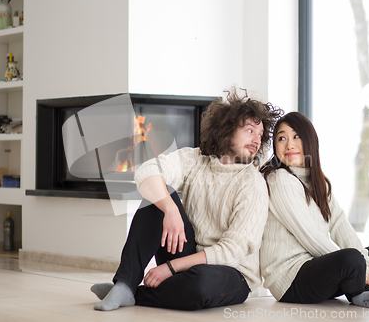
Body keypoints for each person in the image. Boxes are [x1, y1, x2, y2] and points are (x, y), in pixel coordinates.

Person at [91, 88, 283, 311]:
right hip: (187, 254)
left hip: (233, 272)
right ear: (227, 130)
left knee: (199, 284)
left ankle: (134, 292)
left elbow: (233, 251)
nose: (256, 140)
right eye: (250, 130)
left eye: (260, 135)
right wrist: (170, 209)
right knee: (159, 198)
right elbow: (146, 172)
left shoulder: (253, 184)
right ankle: (124, 284)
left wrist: (171, 268)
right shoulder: (195, 160)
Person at [259, 111, 369, 308]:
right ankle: (364, 291)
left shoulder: (319, 183)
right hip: (291, 280)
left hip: (319, 269)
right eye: (281, 138)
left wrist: (368, 265)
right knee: (352, 259)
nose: (289, 144)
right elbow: (309, 235)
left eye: (296, 136)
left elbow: (340, 226)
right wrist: (362, 266)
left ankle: (366, 290)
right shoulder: (279, 179)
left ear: (309, 140)